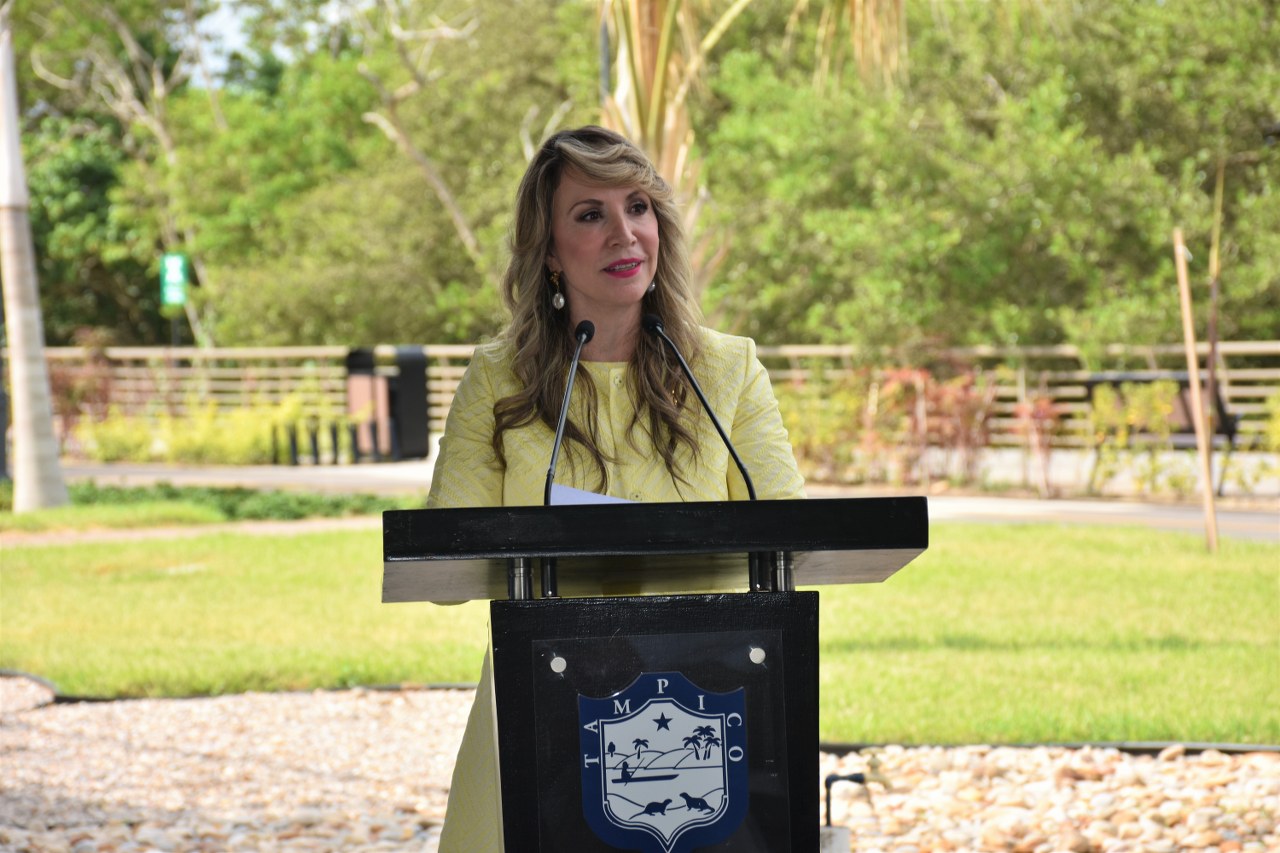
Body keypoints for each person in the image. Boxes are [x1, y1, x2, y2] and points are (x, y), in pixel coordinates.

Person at [427, 125, 805, 851]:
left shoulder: (729, 368)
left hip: (705, 709)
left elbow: (785, 535)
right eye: (590, 214)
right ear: (547, 251)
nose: (624, 233)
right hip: (540, 698)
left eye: (638, 206)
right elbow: (446, 562)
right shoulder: (497, 379)